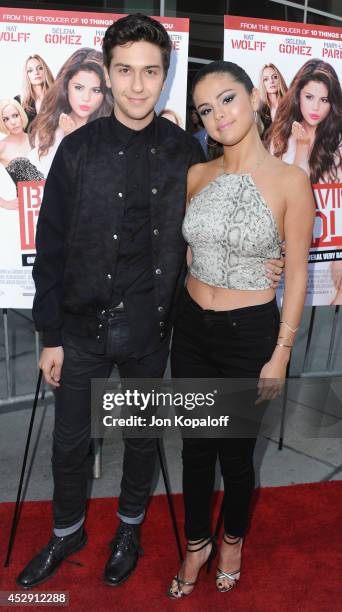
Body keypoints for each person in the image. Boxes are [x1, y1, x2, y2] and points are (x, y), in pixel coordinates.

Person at [16, 16, 283, 592]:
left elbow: (226, 218)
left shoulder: (185, 153)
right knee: (69, 443)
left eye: (151, 72)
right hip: (81, 330)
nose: (138, 86)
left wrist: (265, 258)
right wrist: (51, 336)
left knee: (140, 439)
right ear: (107, 75)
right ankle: (67, 532)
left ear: (165, 77)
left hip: (152, 331)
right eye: (125, 71)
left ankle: (129, 529)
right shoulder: (77, 151)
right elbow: (52, 244)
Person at [167, 60, 315, 598]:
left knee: (235, 453)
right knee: (194, 450)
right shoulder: (196, 175)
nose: (218, 115)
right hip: (192, 329)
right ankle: (196, 543)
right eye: (206, 109)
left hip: (249, 335)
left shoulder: (291, 181)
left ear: (253, 98)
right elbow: (191, 251)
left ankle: (232, 540)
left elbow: (297, 273)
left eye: (227, 99)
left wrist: (280, 354)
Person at [28, 48, 113, 177]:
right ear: (66, 86)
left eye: (96, 90)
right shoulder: (48, 127)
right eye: (79, 88)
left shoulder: (110, 134)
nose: (86, 98)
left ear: (105, 93)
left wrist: (73, 140)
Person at [268, 59, 342, 184]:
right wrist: (302, 147)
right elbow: (284, 191)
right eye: (309, 97)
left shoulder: (338, 142)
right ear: (297, 96)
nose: (315, 107)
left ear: (332, 103)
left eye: (324, 100)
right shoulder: (281, 137)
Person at [0, 99, 43, 210]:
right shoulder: (2, 146)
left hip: (48, 199)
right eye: (6, 119)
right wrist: (4, 203)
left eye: (15, 115)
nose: (13, 122)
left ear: (21, 115)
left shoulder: (36, 138)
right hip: (26, 209)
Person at [15, 54, 54, 128]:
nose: (36, 72)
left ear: (45, 71)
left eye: (40, 68)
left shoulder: (59, 97)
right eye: (30, 70)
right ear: (26, 75)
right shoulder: (18, 101)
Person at [258, 63, 287, 136]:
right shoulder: (259, 111)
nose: (271, 81)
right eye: (266, 79)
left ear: (280, 79)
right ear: (262, 83)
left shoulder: (291, 106)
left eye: (275, 77)